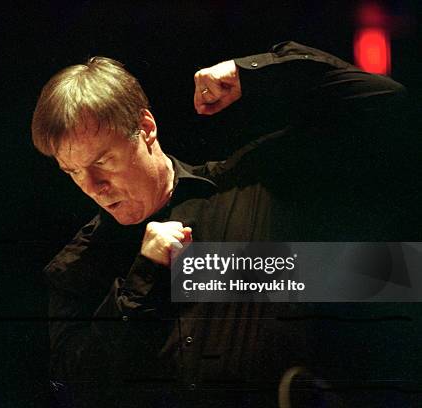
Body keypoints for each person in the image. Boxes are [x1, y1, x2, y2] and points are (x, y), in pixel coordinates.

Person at [32, 42, 414, 407]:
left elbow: (388, 105)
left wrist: (255, 72)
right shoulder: (79, 265)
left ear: (145, 127)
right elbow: (74, 391)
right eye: (73, 172)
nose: (92, 187)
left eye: (102, 161)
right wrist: (141, 281)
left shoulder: (254, 188)